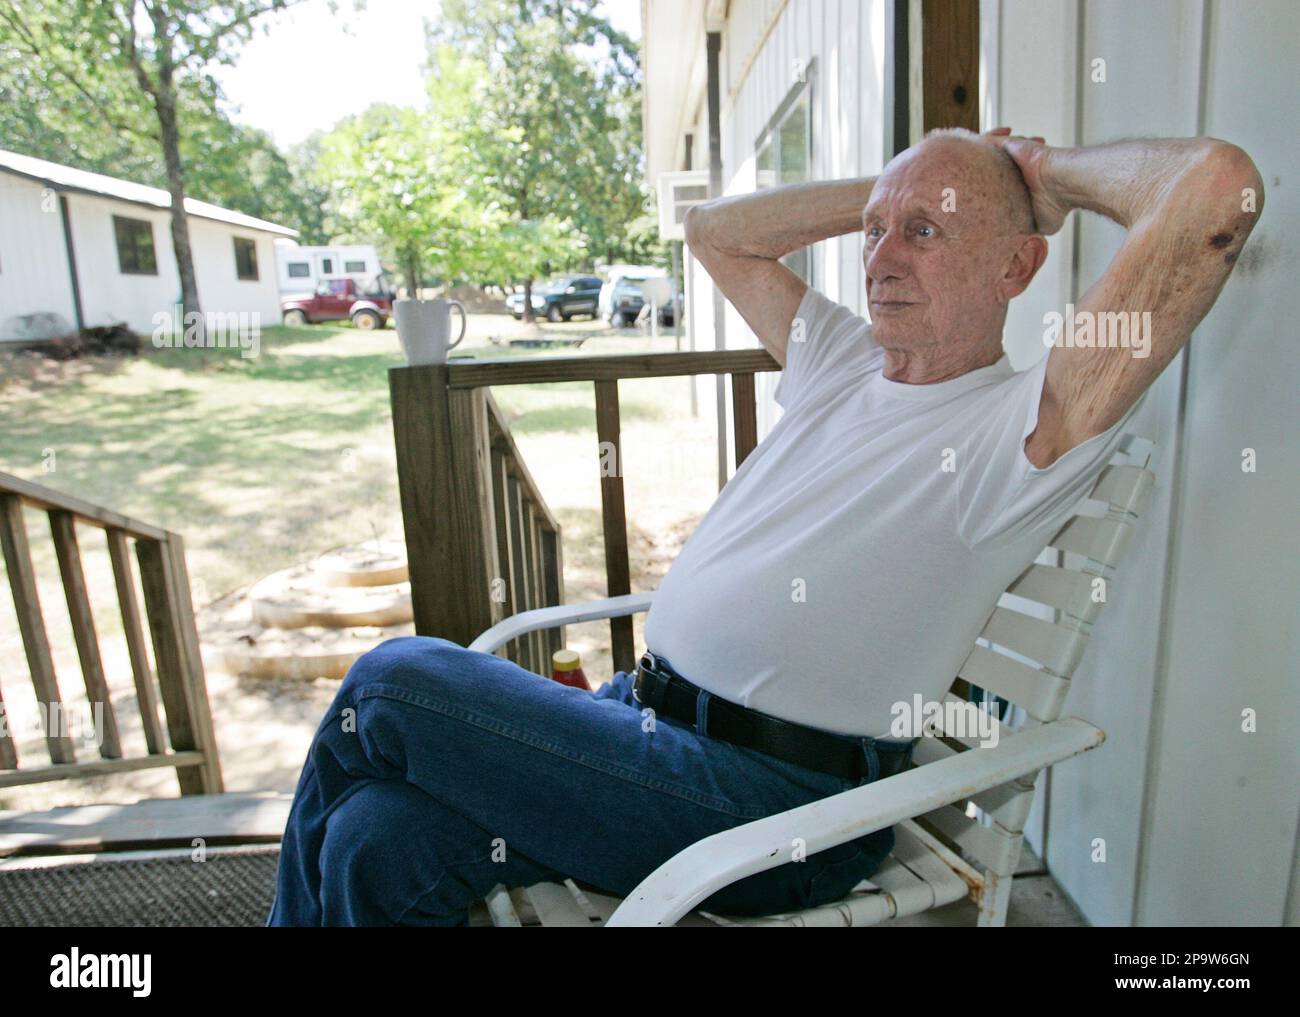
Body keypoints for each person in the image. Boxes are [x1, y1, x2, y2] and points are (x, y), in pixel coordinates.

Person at [267, 127, 1262, 926]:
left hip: (774, 803)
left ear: (1016, 264)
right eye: (875, 231)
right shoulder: (843, 363)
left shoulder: (1030, 425)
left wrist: (1038, 169)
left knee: (392, 685)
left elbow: (1215, 188)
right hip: (639, 729)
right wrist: (902, 180)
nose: (880, 256)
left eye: (925, 232)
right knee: (374, 837)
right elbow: (714, 231)